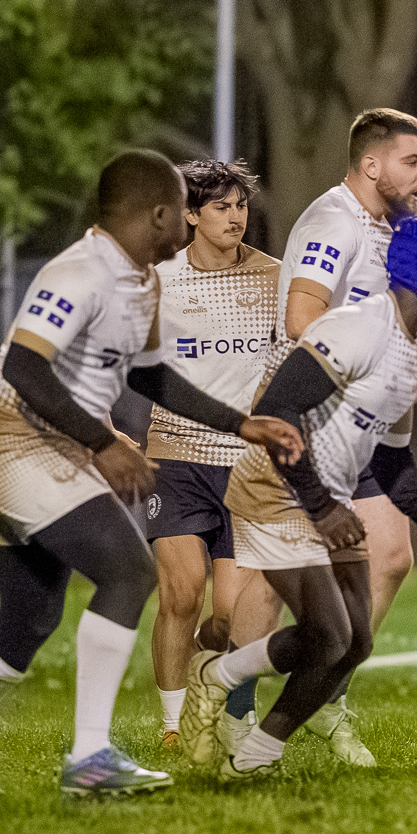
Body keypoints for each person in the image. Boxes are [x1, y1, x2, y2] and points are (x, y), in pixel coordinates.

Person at [0, 150, 301, 796]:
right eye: (183, 206)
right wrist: (104, 442)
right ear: (159, 214)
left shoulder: (142, 279)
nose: (194, 216)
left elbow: (149, 376)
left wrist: (240, 423)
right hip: (9, 437)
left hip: (55, 445)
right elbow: (28, 371)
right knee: (129, 570)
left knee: (30, 618)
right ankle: (89, 758)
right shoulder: (81, 273)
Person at [181, 215, 417, 781]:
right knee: (330, 635)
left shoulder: (409, 360)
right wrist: (321, 504)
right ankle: (251, 760)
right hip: (275, 487)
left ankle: (216, 679)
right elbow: (276, 410)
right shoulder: (358, 327)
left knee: (353, 643)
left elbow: (391, 463)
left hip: (323, 497)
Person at [243, 106, 417, 763]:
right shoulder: (334, 220)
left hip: (355, 426)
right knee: (271, 582)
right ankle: (232, 708)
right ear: (371, 164)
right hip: (307, 418)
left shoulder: (387, 228)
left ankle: (325, 697)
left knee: (390, 556)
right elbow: (303, 319)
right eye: (413, 160)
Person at [145, 159, 284, 750]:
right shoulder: (159, 279)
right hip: (175, 457)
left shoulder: (276, 279)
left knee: (229, 619)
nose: (235, 217)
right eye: (221, 207)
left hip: (247, 468)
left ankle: (209, 672)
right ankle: (174, 724)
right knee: (180, 592)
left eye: (241, 205)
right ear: (191, 216)